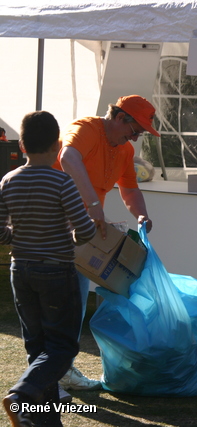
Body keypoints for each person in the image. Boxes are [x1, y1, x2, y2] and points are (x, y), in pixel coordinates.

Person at [53, 94, 157, 394]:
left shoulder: (124, 149)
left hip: (82, 232)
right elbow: (68, 158)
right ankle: (51, 374)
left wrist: (142, 215)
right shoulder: (87, 128)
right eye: (135, 130)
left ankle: (61, 370)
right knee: (59, 303)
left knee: (74, 302)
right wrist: (91, 203)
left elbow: (129, 189)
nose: (136, 138)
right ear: (120, 118)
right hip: (56, 228)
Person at [1, 111, 96, 427]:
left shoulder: (8, 181)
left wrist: (23, 233)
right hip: (56, 271)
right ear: (58, 144)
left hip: (21, 271)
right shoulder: (61, 181)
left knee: (37, 346)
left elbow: (1, 232)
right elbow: (84, 231)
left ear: (23, 144)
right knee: (62, 347)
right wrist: (69, 233)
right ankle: (21, 395)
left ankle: (41, 421)